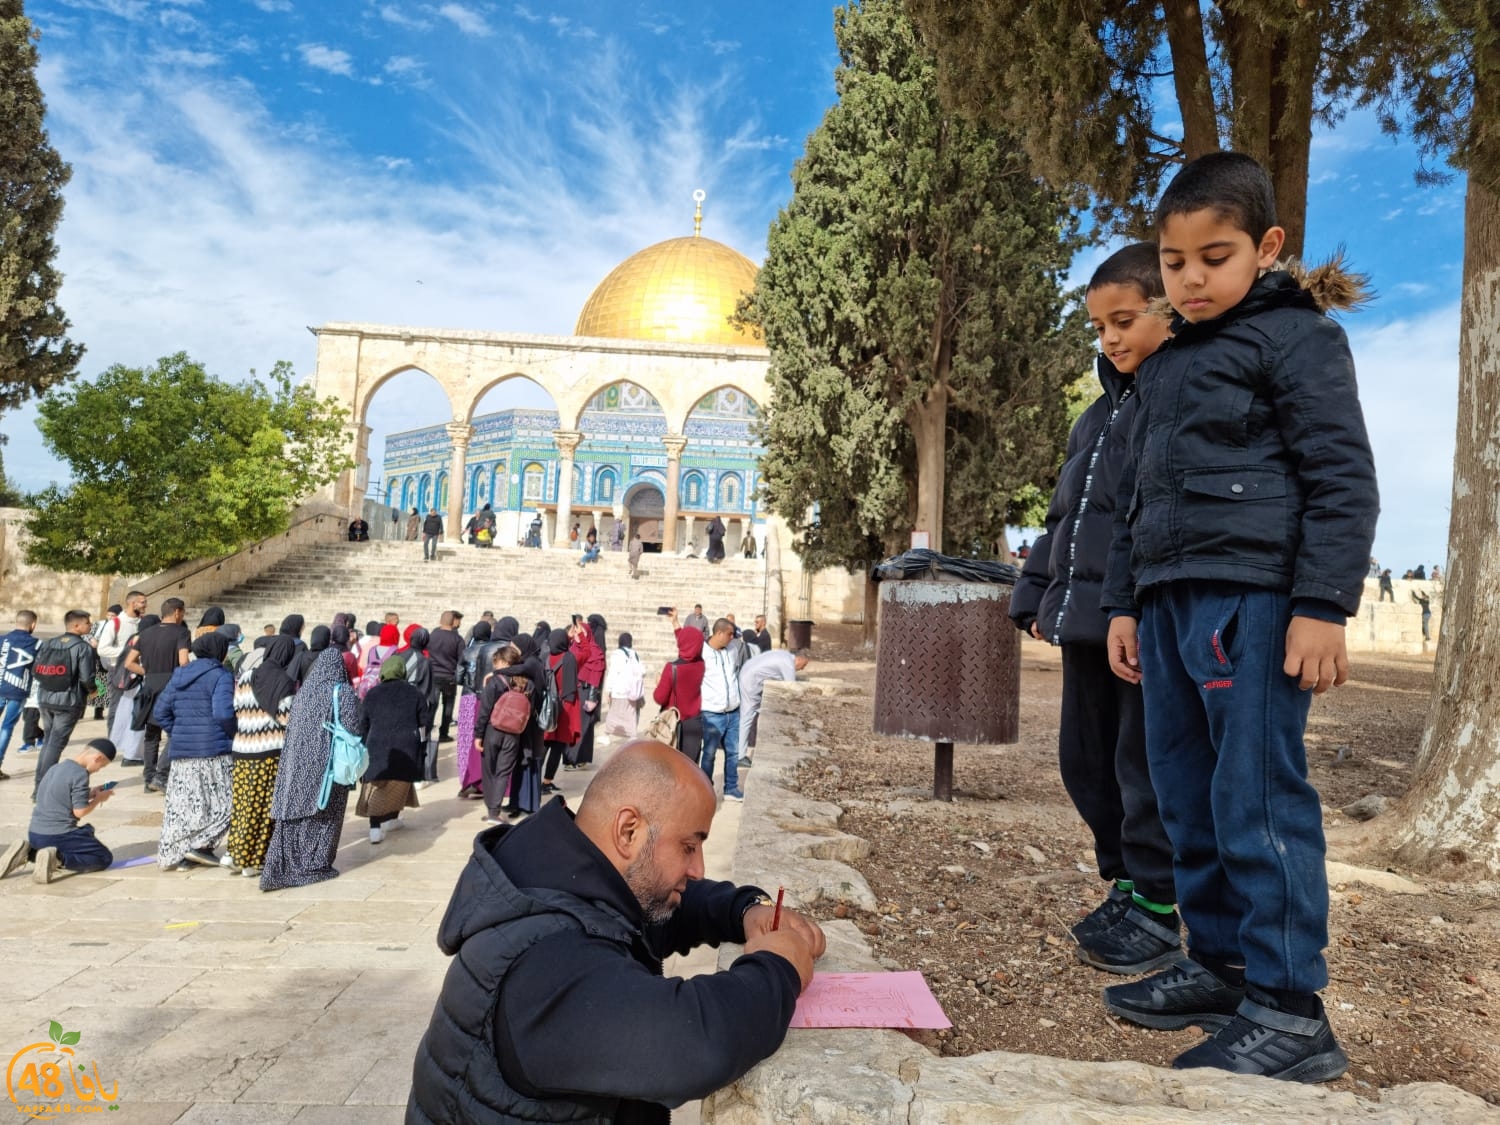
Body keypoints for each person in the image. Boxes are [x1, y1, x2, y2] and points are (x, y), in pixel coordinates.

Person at [1101, 152, 1378, 1083]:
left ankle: (1292, 1008)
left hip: (1253, 602)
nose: (1191, 279)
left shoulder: (1298, 341)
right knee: (1186, 789)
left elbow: (1342, 478)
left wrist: (1321, 607)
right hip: (1174, 603)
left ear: (1266, 247)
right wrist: (1129, 602)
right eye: (1174, 264)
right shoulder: (1172, 359)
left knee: (1256, 796)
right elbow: (1141, 493)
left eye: (1213, 258)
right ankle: (1221, 967)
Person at [405, 739, 825, 1125]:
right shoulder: (547, 963)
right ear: (628, 831)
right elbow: (692, 1044)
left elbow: (666, 906)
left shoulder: (558, 872)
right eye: (688, 846)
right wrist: (779, 965)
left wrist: (745, 910)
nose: (697, 868)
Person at [1007, 242, 1181, 977]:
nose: (1111, 338)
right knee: (1084, 761)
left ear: (1168, 312)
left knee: (1140, 765)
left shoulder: (1170, 402)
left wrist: (1134, 606)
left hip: (1133, 622)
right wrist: (1034, 594)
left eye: (1126, 319)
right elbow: (1064, 516)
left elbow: (1149, 516)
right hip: (1084, 620)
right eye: (1100, 326)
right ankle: (1127, 882)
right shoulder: (1093, 420)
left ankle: (1159, 903)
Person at [260, 641, 367, 891]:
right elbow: (351, 727)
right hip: (325, 763)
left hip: (295, 762)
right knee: (323, 811)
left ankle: (282, 868)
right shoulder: (341, 692)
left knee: (295, 810)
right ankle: (312, 865)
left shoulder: (304, 692)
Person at [153, 633, 237, 870]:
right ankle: (199, 847)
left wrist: (179, 732)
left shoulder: (180, 674)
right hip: (214, 752)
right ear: (219, 651)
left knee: (185, 807)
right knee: (227, 804)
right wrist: (234, 735)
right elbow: (223, 713)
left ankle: (183, 856)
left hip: (182, 754)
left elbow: (160, 712)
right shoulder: (221, 675)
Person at [225, 632, 297, 877]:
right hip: (269, 753)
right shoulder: (284, 681)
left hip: (243, 749)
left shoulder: (245, 677)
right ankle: (255, 860)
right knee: (265, 808)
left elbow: (235, 708)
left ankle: (237, 854)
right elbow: (288, 719)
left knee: (243, 805)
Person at [21, 738, 118, 884]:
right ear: (98, 758)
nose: (98, 770)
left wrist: (91, 792)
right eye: (101, 766)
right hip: (57, 835)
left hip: (35, 833)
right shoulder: (80, 774)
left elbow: (62, 794)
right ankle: (57, 858)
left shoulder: (56, 768)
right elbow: (80, 811)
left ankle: (30, 853)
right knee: (103, 857)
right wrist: (99, 799)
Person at [123, 598, 191, 794]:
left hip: (150, 686)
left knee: (151, 734)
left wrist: (149, 672)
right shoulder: (181, 632)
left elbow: (129, 663)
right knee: (175, 732)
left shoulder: (146, 633)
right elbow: (184, 661)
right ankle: (161, 774)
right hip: (172, 686)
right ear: (177, 612)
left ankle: (148, 778)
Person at [31, 609, 98, 800]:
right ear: (76, 626)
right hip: (68, 701)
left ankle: (39, 785)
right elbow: (87, 678)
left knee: (49, 742)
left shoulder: (49, 643)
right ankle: (41, 789)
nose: (90, 625)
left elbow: (37, 670)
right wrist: (93, 690)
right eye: (87, 623)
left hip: (46, 698)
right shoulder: (83, 648)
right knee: (55, 744)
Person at [358, 654, 426, 844]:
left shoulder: (373, 694)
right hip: (406, 748)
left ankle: (377, 827)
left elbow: (363, 723)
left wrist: (363, 744)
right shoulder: (415, 693)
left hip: (377, 748)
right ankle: (388, 821)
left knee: (377, 787)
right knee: (398, 785)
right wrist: (421, 745)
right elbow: (424, 723)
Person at [474, 644, 528, 824]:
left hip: (493, 731)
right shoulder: (524, 683)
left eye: (496, 663)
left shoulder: (495, 682)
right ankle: (495, 811)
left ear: (504, 662)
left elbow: (485, 710)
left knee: (489, 771)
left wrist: (478, 735)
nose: (495, 667)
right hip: (513, 733)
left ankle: (491, 810)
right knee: (503, 772)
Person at [737, 648, 810, 767]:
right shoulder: (788, 664)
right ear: (799, 659)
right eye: (804, 664)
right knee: (747, 718)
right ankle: (739, 756)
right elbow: (791, 688)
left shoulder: (785, 656)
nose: (803, 668)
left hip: (748, 673)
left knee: (752, 714)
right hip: (750, 680)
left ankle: (740, 752)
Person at [699, 618, 745, 802]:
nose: (732, 637)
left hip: (733, 711)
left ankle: (731, 788)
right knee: (709, 754)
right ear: (718, 633)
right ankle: (704, 789)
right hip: (712, 713)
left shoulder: (732, 650)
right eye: (729, 634)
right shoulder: (702, 653)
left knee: (733, 753)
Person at [653, 612, 705, 760]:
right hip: (694, 724)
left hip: (674, 724)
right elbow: (689, 642)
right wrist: (675, 623)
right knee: (690, 766)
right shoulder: (700, 665)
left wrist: (659, 683)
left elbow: (659, 698)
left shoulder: (671, 668)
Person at [95, 589, 146, 730]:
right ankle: (113, 740)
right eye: (142, 602)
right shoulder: (115, 623)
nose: (145, 605)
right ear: (133, 603)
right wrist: (128, 653)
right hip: (119, 671)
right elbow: (102, 649)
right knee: (116, 707)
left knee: (136, 707)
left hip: (139, 671)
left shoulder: (143, 623)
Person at [540, 627, 580, 793]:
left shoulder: (546, 656)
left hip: (547, 705)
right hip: (564, 707)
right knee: (557, 747)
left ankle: (535, 779)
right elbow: (570, 687)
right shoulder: (569, 658)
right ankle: (547, 780)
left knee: (544, 744)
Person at [0, 610, 39, 779]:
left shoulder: (2, 640)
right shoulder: (38, 644)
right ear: (33, 625)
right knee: (7, 727)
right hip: (18, 691)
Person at [427, 610, 465, 745]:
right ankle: (444, 733)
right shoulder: (457, 639)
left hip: (433, 675)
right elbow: (462, 659)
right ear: (453, 621)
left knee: (432, 705)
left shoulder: (432, 635)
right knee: (448, 705)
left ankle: (427, 732)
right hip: (449, 676)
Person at [603, 631, 644, 739]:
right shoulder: (634, 654)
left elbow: (612, 673)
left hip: (620, 690)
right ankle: (632, 736)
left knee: (613, 714)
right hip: (632, 691)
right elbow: (642, 671)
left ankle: (607, 735)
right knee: (631, 715)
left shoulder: (617, 654)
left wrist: (608, 689)